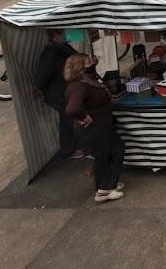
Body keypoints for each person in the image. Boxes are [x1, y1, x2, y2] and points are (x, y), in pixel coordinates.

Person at [64, 54, 125, 203]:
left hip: (102, 126)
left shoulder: (87, 80)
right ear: (80, 68)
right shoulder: (79, 86)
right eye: (88, 61)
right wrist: (85, 117)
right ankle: (103, 190)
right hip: (94, 128)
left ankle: (108, 184)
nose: (92, 62)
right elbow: (72, 109)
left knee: (114, 150)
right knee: (105, 155)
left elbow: (94, 72)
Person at [34, 30, 80, 159]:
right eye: (64, 33)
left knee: (70, 116)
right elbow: (41, 77)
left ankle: (73, 145)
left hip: (64, 89)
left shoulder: (61, 46)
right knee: (67, 118)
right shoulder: (51, 53)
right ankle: (68, 150)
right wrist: (38, 89)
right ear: (56, 36)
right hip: (56, 92)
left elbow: (75, 57)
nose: (67, 34)